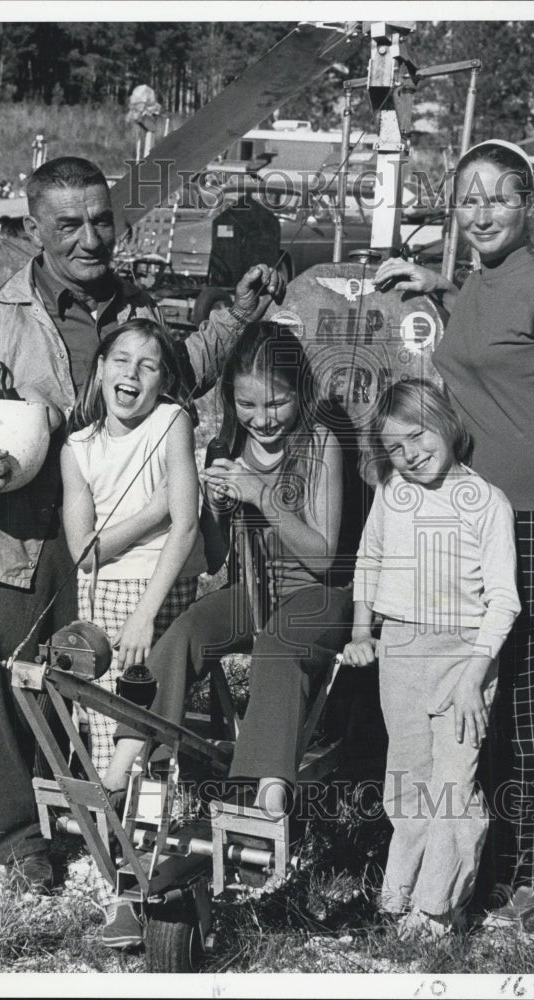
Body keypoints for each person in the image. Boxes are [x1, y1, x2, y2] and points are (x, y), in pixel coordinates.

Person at [0, 156, 282, 896]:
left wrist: (234, 311)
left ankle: (94, 810)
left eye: (101, 219)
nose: (89, 237)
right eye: (68, 224)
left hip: (112, 545)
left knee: (97, 682)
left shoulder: (134, 307)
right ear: (35, 228)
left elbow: (182, 369)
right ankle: (21, 839)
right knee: (13, 691)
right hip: (14, 543)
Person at [372, 139, 534, 926]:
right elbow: (472, 350)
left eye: (498, 198)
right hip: (470, 517)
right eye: (467, 199)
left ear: (529, 205)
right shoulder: (474, 283)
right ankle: (497, 850)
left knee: (532, 694)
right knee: (483, 693)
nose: (480, 213)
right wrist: (435, 287)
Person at [104, 320, 356, 818]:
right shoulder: (226, 448)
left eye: (276, 403)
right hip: (256, 593)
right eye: (247, 405)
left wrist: (259, 493)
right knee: (184, 631)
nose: (262, 419)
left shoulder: (320, 442)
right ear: (229, 401)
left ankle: (263, 792)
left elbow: (324, 554)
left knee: (280, 641)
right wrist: (216, 509)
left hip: (321, 595)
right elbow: (216, 558)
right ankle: (131, 757)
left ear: (300, 392)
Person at [343, 378, 520, 940]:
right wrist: (360, 630)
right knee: (408, 778)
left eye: (417, 436)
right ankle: (401, 894)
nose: (410, 454)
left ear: (445, 421)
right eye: (395, 447)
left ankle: (439, 910)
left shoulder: (487, 503)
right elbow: (368, 559)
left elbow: (504, 601)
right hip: (399, 648)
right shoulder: (393, 491)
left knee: (453, 786)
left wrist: (473, 681)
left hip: (463, 660)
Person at [61, 317, 207, 941]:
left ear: (163, 382)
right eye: (121, 360)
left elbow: (189, 523)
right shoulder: (78, 448)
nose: (132, 374)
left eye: (148, 367)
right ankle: (124, 879)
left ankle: (135, 878)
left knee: (140, 746)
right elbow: (83, 553)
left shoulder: (170, 423)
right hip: (99, 599)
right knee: (105, 747)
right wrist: (154, 508)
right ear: (100, 370)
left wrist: (149, 609)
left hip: (160, 591)